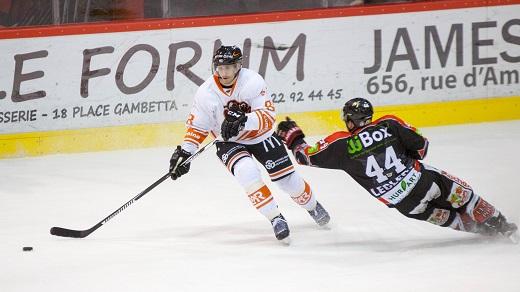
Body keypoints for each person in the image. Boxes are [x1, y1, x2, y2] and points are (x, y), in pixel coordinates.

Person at [276, 97, 518, 242]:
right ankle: (503, 226)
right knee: (467, 198)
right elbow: (422, 147)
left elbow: (304, 157)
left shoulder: (341, 145)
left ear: (349, 120)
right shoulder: (389, 123)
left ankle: (486, 233)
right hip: (426, 182)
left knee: (453, 218)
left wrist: (293, 135)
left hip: (405, 205)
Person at [168, 45, 330, 242]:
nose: (223, 72)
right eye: (219, 68)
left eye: (228, 67)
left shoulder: (252, 81)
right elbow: (198, 126)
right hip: (229, 142)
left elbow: (268, 117)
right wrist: (185, 153)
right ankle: (275, 218)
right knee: (247, 172)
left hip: (261, 136)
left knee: (289, 183)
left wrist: (244, 120)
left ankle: (312, 206)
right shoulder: (206, 93)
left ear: (238, 67)